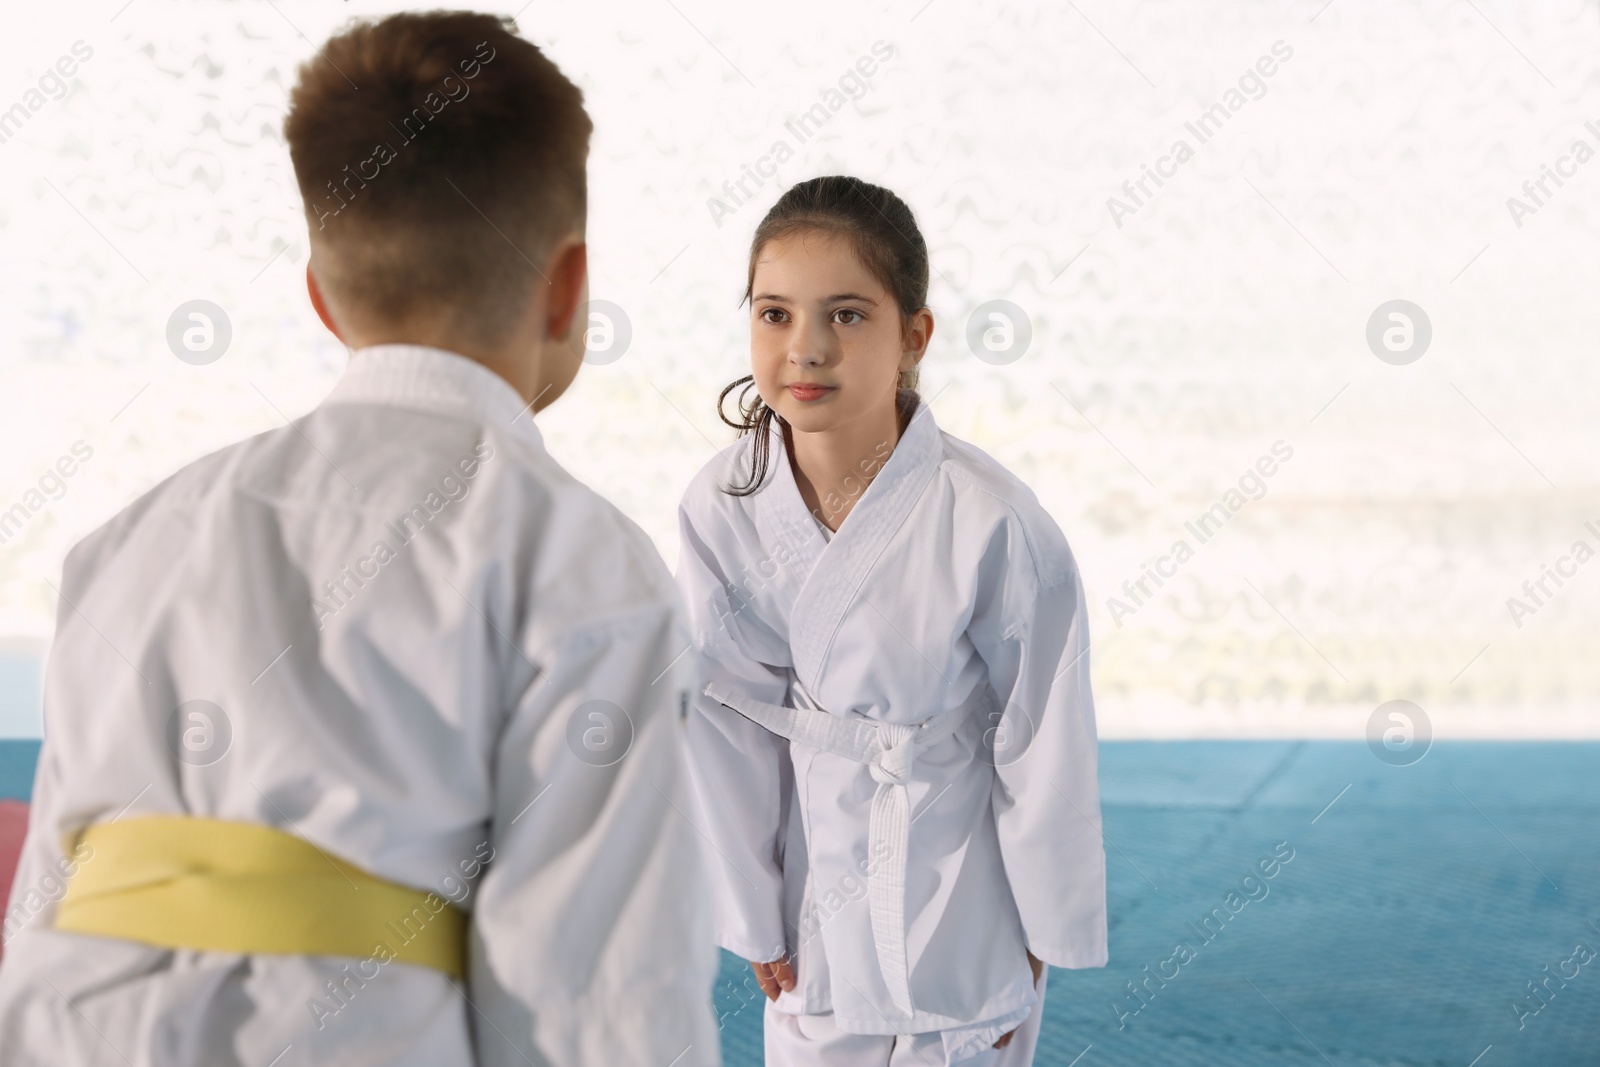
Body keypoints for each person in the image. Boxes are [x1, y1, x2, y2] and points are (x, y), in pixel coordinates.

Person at [0, 12, 719, 1066]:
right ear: (568, 286)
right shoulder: (581, 564)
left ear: (319, 298)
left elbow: (48, 902)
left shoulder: (130, 540)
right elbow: (600, 1003)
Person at [676, 176, 1108, 1066]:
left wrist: (1039, 931)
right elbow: (722, 719)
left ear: (914, 335)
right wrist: (753, 910)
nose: (806, 349)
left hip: (960, 891)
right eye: (774, 314)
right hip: (815, 901)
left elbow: (1042, 733)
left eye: (846, 315)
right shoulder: (725, 504)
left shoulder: (991, 518)